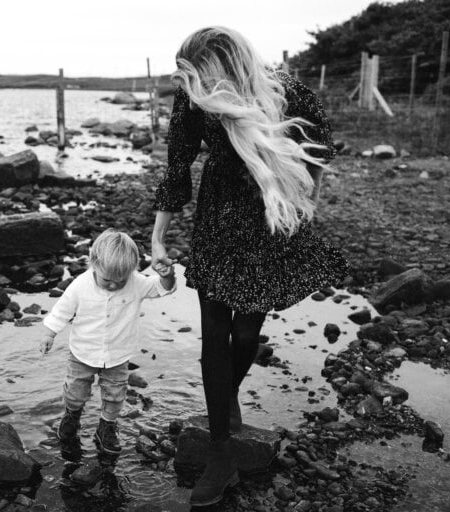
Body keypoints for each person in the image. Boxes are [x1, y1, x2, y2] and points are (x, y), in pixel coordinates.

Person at [151, 26, 349, 507]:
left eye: (195, 75)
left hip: (268, 220)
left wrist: (299, 203)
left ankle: (225, 398)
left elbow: (320, 151)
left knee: (245, 336)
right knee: (214, 334)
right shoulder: (192, 100)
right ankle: (220, 449)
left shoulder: (291, 94)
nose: (188, 86)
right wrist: (156, 237)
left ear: (222, 68)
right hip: (217, 221)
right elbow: (178, 167)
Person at [40, 229, 176, 455]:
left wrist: (167, 275)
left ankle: (107, 427)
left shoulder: (136, 282)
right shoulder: (80, 285)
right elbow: (61, 311)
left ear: (131, 272)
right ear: (94, 264)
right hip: (82, 352)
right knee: (76, 391)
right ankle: (72, 417)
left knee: (115, 394)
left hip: (118, 355)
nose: (113, 285)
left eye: (120, 281)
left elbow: (163, 288)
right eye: (106, 280)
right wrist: (49, 334)